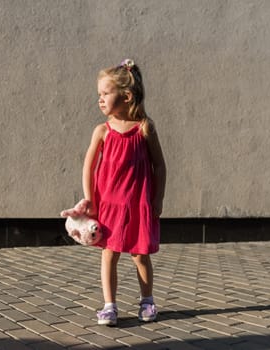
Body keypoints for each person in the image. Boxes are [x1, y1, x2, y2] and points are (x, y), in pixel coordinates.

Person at [82, 59, 166, 326]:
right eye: (99, 95)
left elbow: (160, 165)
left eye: (106, 93)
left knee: (140, 254)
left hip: (138, 204)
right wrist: (89, 201)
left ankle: (147, 300)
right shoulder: (102, 131)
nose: (101, 99)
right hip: (110, 206)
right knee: (109, 253)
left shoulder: (144, 128)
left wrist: (158, 198)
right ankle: (109, 306)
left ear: (126, 96)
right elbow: (89, 167)